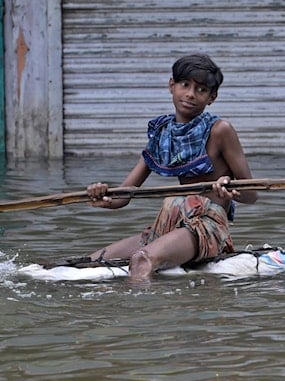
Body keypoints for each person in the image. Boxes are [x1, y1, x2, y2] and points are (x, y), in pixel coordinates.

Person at [84, 54, 257, 285]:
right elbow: (124, 196)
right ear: (171, 86)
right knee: (93, 261)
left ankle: (138, 312)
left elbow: (251, 194)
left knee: (141, 259)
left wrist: (231, 190)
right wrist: (102, 196)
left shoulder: (220, 131)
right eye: (185, 85)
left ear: (211, 97)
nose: (190, 94)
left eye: (201, 89)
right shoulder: (162, 134)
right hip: (168, 225)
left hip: (206, 227)